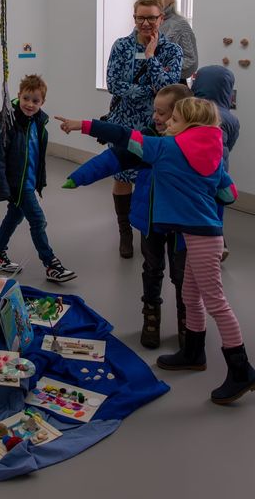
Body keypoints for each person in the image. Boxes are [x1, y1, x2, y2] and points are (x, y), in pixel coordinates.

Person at [56, 98, 255, 405]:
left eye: (174, 120)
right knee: (191, 295)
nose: (166, 124)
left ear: (190, 125)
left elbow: (123, 136)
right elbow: (228, 194)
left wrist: (82, 125)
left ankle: (241, 369)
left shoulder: (166, 149)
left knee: (215, 302)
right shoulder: (215, 153)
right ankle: (193, 351)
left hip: (202, 239)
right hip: (201, 234)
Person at [63, 84, 193, 349]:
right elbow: (115, 157)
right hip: (151, 222)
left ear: (183, 115)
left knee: (182, 276)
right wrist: (79, 177)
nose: (156, 117)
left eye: (163, 113)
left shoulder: (193, 146)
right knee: (152, 269)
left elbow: (216, 183)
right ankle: (151, 317)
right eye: (155, 111)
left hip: (183, 225)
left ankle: (187, 321)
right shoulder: (148, 139)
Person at [105, 0, 182, 259]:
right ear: (134, 18)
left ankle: (147, 231)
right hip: (124, 124)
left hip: (158, 127)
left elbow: (167, 89)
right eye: (141, 18)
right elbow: (114, 85)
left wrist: (150, 57)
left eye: (152, 17)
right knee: (123, 178)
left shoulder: (172, 51)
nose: (146, 23)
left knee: (152, 180)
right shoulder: (121, 46)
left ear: (161, 18)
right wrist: (147, 90)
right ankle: (124, 231)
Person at [0, 74, 75, 283]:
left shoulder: (39, 123)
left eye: (35, 101)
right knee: (38, 220)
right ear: (19, 96)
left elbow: (36, 157)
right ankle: (51, 264)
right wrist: (0, 187)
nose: (29, 104)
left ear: (42, 103)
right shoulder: (8, 120)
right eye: (26, 98)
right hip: (17, 184)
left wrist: (38, 181)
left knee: (14, 216)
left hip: (29, 181)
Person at [191, 65, 240, 261]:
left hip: (191, 170)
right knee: (216, 206)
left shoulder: (189, 110)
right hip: (217, 171)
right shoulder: (229, 118)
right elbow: (231, 143)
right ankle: (218, 241)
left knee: (192, 206)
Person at [149, 0, 198, 83]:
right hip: (144, 85)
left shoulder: (180, 25)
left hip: (172, 87)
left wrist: (164, 69)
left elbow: (191, 62)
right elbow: (136, 53)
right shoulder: (142, 24)